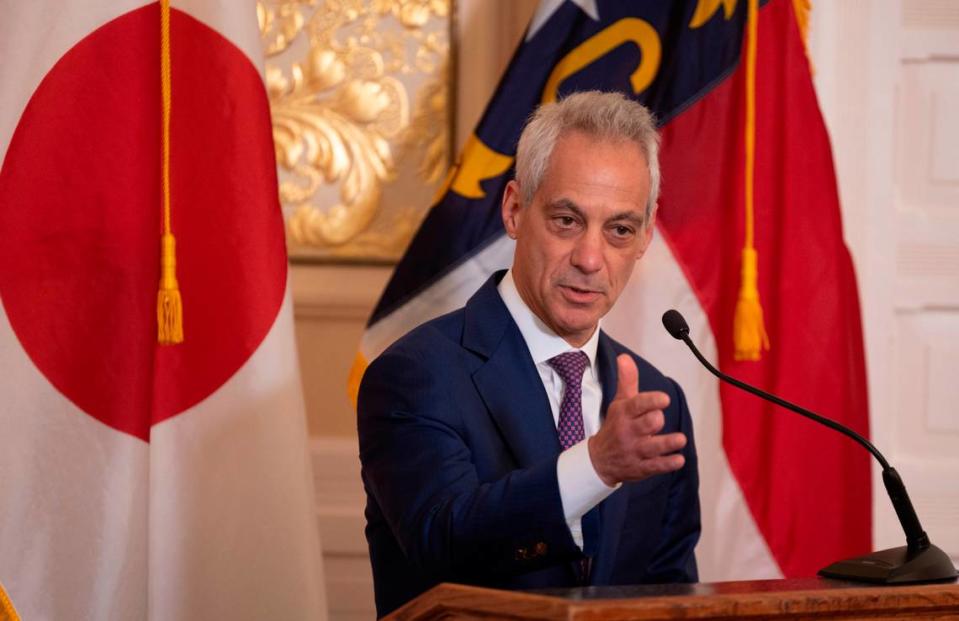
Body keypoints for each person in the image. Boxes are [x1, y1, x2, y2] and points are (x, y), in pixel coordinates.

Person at [358, 91, 700, 617]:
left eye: (619, 230)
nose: (590, 258)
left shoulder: (660, 405)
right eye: (567, 220)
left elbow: (673, 598)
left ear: (645, 238)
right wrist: (595, 465)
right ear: (515, 210)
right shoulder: (416, 374)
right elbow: (441, 544)